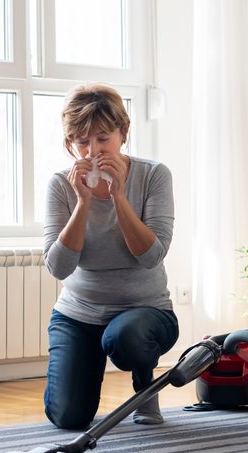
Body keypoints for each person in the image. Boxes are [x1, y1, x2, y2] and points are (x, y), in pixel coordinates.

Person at [42, 83, 179, 430]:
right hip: (79, 314)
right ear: (69, 142)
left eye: (103, 138)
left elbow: (151, 256)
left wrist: (119, 196)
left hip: (144, 313)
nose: (92, 152)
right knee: (68, 417)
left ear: (124, 133)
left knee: (124, 337)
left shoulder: (153, 175)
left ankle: (145, 386)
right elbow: (58, 267)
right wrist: (84, 204)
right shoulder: (60, 185)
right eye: (82, 142)